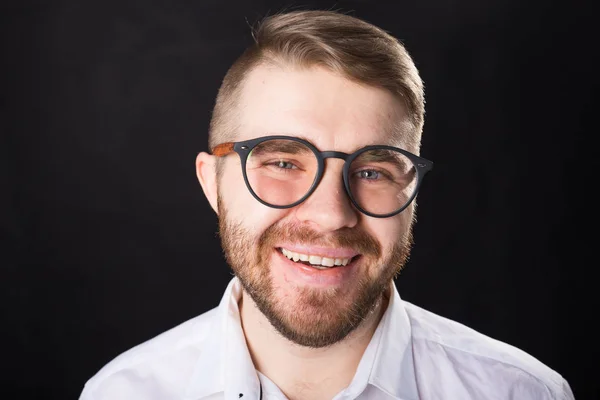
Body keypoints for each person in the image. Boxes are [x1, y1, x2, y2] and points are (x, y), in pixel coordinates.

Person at [79, 10, 574, 400]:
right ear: (213, 184)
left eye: (373, 172)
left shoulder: (521, 392)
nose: (332, 214)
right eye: (283, 163)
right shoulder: (121, 393)